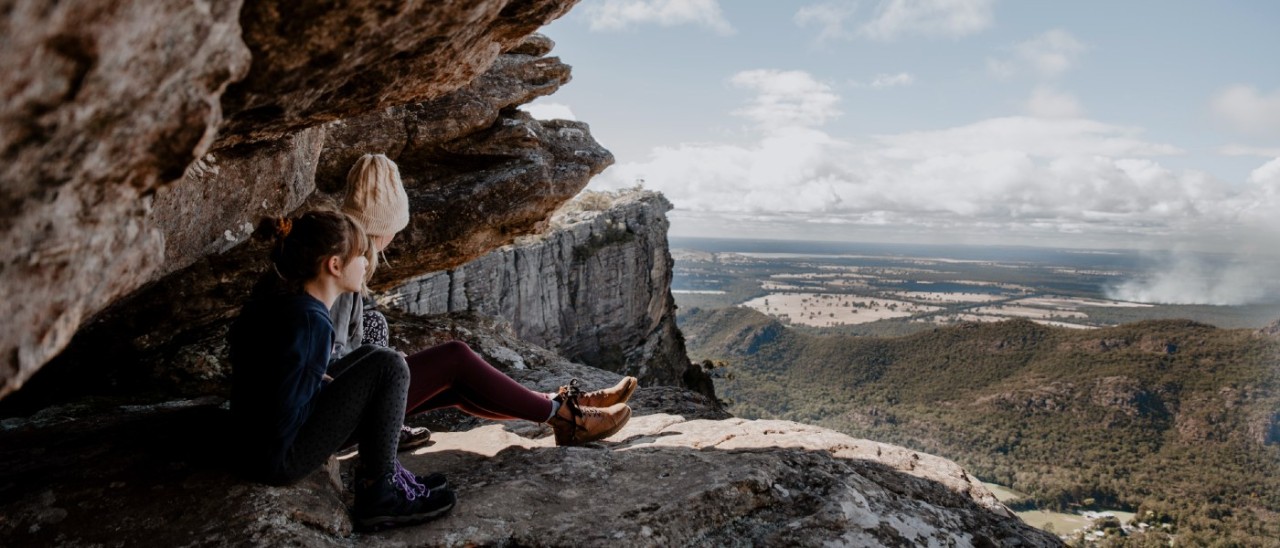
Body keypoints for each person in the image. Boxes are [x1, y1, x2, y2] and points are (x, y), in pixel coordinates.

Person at [335, 153, 638, 446]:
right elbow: (328, 367)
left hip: (351, 403)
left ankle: (556, 404)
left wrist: (384, 363)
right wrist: (386, 365)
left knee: (455, 384)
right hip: (332, 417)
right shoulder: (340, 276)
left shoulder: (347, 264)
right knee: (454, 357)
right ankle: (566, 418)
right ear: (384, 228)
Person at [228, 210, 455, 530]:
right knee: (390, 366)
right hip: (278, 458)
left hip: (253, 443)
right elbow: (286, 415)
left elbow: (277, 380)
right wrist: (336, 396)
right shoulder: (312, 322)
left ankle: (385, 474)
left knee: (374, 354)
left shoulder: (289, 303)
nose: (366, 262)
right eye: (361, 255)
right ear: (334, 265)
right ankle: (379, 496)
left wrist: (325, 383)